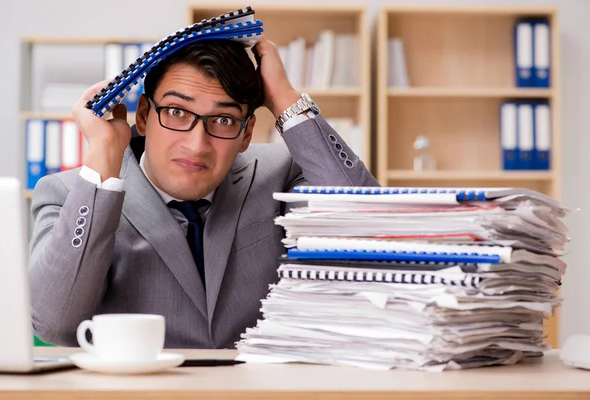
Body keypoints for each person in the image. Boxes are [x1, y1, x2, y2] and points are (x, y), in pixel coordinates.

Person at [28, 35, 379, 348]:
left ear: (246, 133)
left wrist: (287, 101)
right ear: (145, 116)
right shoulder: (71, 193)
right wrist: (104, 156)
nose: (197, 145)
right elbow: (55, 324)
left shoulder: (280, 174)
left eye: (223, 120)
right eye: (178, 112)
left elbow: (369, 234)